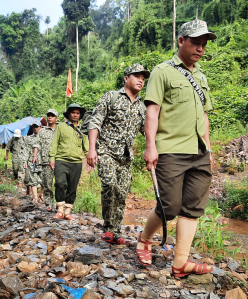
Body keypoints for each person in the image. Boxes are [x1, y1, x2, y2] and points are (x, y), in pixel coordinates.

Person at [137, 19, 216, 276]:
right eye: (195, 42)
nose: (200, 48)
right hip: (171, 149)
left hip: (199, 151)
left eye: (204, 44)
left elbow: (204, 115)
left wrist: (209, 148)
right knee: (169, 205)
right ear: (181, 41)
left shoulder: (201, 75)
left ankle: (180, 262)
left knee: (193, 207)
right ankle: (145, 239)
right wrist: (151, 147)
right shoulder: (163, 71)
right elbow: (153, 111)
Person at [87, 64, 149, 245]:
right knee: (109, 185)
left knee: (121, 193)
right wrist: (92, 149)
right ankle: (108, 228)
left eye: (143, 78)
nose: (140, 80)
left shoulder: (142, 107)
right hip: (106, 151)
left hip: (126, 157)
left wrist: (153, 149)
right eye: (137, 76)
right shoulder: (111, 97)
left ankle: (115, 232)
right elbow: (95, 122)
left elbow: (146, 132)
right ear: (126, 78)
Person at [49, 103, 89, 220]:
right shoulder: (61, 126)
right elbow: (54, 143)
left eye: (77, 113)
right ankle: (60, 209)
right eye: (73, 113)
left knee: (72, 186)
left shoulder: (82, 129)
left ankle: (67, 211)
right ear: (69, 114)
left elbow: (86, 147)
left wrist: (89, 161)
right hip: (61, 159)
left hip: (76, 162)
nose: (75, 115)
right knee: (60, 183)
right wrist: (52, 158)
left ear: (80, 115)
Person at [37, 108, 59, 211]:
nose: (49, 117)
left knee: (60, 184)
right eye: (48, 116)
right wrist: (35, 157)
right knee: (47, 184)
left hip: (59, 160)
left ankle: (60, 205)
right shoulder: (42, 131)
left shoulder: (60, 130)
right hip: (46, 161)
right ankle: (49, 205)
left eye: (52, 116)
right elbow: (37, 145)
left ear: (56, 118)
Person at [23, 121, 42, 202]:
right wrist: (25, 161)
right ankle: (35, 197)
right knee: (33, 180)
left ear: (40, 127)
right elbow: (26, 150)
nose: (35, 128)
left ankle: (41, 195)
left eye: (37, 126)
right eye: (34, 127)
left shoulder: (45, 137)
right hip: (32, 161)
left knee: (41, 180)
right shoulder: (28, 138)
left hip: (42, 161)